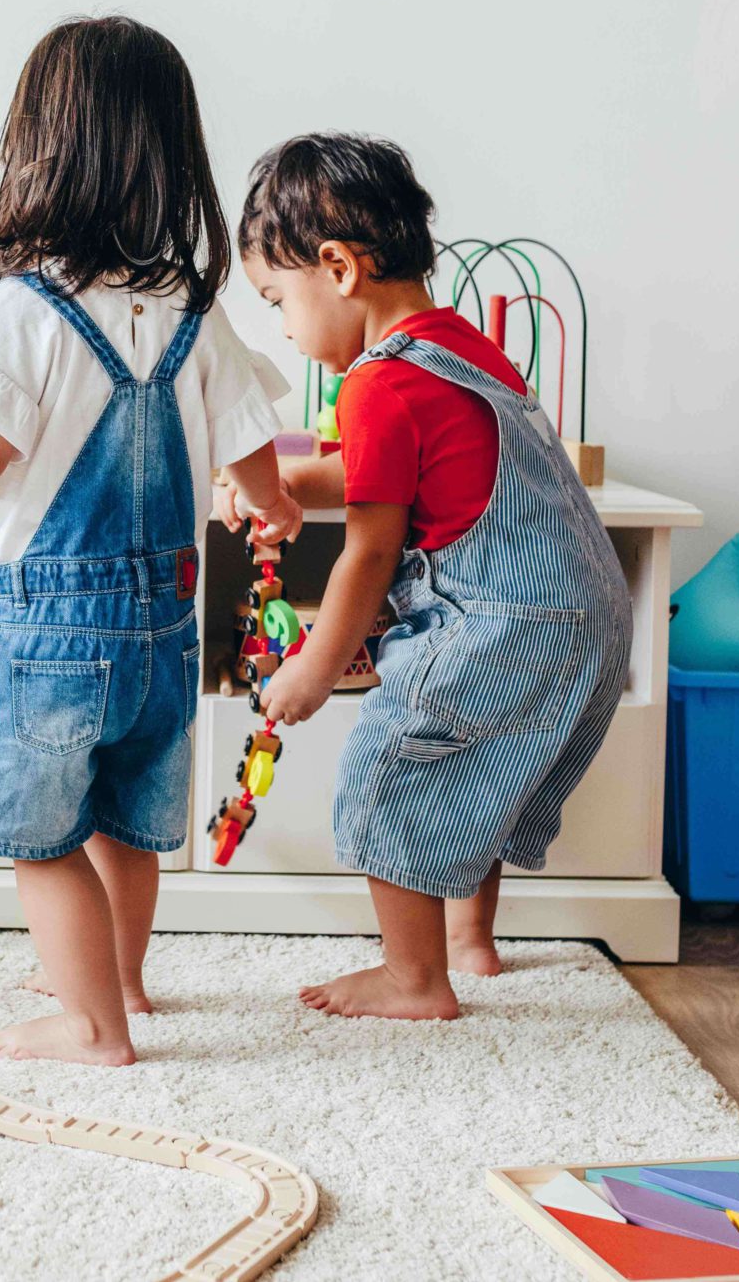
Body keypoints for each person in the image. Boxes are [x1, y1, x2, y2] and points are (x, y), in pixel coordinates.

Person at [0, 14, 296, 1064]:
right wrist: (258, 504)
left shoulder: (20, 311)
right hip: (164, 624)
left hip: (47, 629)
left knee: (42, 837)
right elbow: (259, 470)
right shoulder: (195, 309)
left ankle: (90, 1023)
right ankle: (124, 981)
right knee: (123, 819)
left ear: (38, 149)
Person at [227, 133, 631, 1020]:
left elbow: (370, 549)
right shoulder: (462, 349)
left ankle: (414, 979)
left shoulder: (372, 386)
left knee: (390, 766)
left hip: (506, 616)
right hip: (586, 611)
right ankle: (468, 940)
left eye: (277, 302)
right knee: (473, 771)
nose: (285, 331)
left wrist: (315, 666)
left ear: (337, 268)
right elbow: (399, 469)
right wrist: (290, 480)